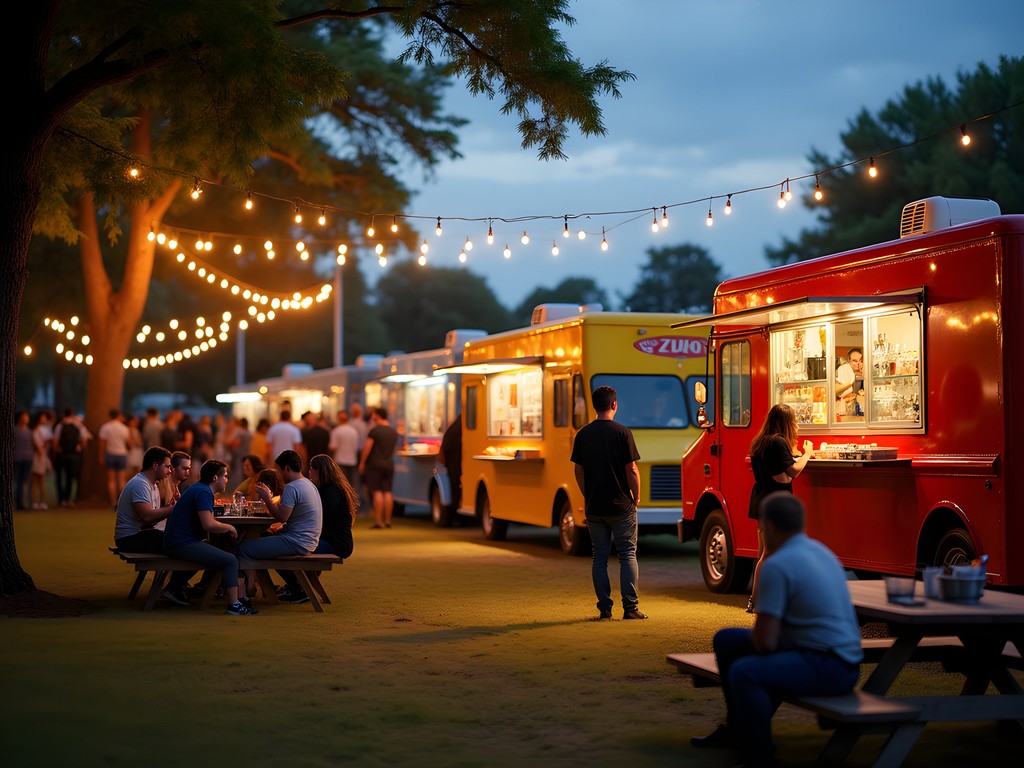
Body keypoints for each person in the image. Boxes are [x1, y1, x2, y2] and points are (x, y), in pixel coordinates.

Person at [691, 493, 863, 767]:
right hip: (841, 657)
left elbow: (764, 642)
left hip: (830, 664)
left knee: (745, 672)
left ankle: (760, 755)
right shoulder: (822, 552)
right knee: (726, 641)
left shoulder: (777, 564)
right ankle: (737, 730)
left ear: (768, 527)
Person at [569, 385, 645, 621]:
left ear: (595, 406)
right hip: (621, 506)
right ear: (614, 405)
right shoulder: (623, 433)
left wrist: (587, 494)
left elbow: (578, 470)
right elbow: (631, 469)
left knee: (599, 557)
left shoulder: (583, 435)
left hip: (595, 507)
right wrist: (637, 496)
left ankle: (604, 609)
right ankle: (630, 608)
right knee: (627, 555)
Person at [162, 459, 257, 616]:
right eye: (225, 476)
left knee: (221, 551)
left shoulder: (200, 489)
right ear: (215, 478)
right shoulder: (204, 491)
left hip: (177, 541)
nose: (226, 479)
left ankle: (183, 587)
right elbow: (208, 524)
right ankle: (234, 605)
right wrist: (229, 527)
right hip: (180, 544)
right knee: (230, 560)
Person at [747, 404, 814, 611]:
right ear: (786, 422)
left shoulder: (761, 441)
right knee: (771, 553)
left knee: (764, 554)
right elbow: (793, 471)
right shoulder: (777, 442)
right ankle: (758, 601)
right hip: (776, 503)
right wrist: (808, 453)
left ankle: (758, 599)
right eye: (793, 421)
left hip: (761, 499)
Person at [113, 446, 193, 605]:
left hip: (142, 534)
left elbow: (152, 519)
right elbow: (147, 516)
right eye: (168, 466)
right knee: (188, 545)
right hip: (130, 538)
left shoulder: (154, 485)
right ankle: (174, 588)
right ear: (155, 466)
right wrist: (174, 509)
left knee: (189, 542)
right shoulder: (140, 484)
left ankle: (176, 585)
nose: (170, 471)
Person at [277, 454, 359, 604]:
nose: (309, 474)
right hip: (332, 540)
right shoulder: (333, 489)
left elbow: (317, 519)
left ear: (319, 471)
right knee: (291, 545)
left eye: (311, 471)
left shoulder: (330, 492)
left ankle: (297, 588)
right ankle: (297, 587)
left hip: (335, 543)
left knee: (282, 550)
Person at [243, 451, 323, 597]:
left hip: (297, 542)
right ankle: (268, 590)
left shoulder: (292, 487)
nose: (278, 475)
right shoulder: (308, 484)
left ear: (286, 468)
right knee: (264, 537)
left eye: (279, 471)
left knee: (243, 548)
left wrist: (267, 498)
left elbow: (282, 517)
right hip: (308, 540)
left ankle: (245, 592)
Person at [359, 407, 398, 529]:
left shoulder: (374, 431)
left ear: (377, 416)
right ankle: (387, 520)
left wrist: (362, 462)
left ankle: (378, 521)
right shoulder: (393, 431)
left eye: (373, 415)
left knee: (377, 492)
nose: (372, 417)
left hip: (375, 464)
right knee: (387, 491)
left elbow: (367, 448)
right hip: (389, 463)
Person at [98, 408, 132, 505]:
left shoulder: (105, 427)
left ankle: (113, 502)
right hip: (122, 454)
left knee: (111, 480)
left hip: (110, 454)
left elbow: (102, 444)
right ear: (119, 416)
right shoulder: (124, 428)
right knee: (121, 480)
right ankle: (122, 502)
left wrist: (101, 456)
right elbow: (129, 444)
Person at [53, 407, 86, 507]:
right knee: (69, 478)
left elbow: (55, 440)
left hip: (62, 454)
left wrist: (57, 450)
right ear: (72, 414)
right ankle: (67, 499)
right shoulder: (78, 425)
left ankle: (61, 499)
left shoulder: (60, 425)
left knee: (59, 477)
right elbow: (84, 440)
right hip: (73, 455)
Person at [436, 416, 462, 521]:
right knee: (456, 488)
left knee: (454, 487)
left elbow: (445, 446)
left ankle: (454, 513)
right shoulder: (462, 427)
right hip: (456, 462)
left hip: (452, 462)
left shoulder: (453, 428)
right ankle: (455, 513)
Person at [30, 410, 54, 510]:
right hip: (37, 456)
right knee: (35, 480)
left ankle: (43, 502)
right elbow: (36, 444)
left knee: (42, 481)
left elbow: (49, 441)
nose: (44, 419)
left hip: (43, 456)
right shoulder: (35, 430)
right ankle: (35, 502)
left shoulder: (46, 429)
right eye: (42, 417)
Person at [328, 410, 360, 487]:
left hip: (340, 461)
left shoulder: (336, 431)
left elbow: (332, 447)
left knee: (341, 485)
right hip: (352, 461)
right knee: (351, 486)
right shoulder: (354, 431)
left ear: (338, 418)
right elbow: (356, 447)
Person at [835, 346, 865, 419]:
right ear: (849, 361)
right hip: (841, 413)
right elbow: (835, 390)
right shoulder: (845, 369)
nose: (858, 364)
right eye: (854, 361)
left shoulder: (853, 373)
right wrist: (849, 383)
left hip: (848, 412)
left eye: (860, 360)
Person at [14, 410, 34, 510]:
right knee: (16, 481)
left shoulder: (29, 432)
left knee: (24, 482)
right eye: (23, 416)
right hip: (17, 458)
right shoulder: (15, 430)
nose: (25, 418)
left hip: (27, 458)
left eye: (26, 416)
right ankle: (17, 502)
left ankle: (22, 503)